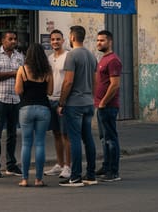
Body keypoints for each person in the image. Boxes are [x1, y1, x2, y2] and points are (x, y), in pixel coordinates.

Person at [58, 25, 98, 187]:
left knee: (74, 140)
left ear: (72, 37)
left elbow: (68, 81)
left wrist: (61, 102)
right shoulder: (91, 56)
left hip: (74, 104)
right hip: (88, 102)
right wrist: (92, 97)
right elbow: (95, 81)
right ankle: (91, 174)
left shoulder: (71, 55)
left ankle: (75, 177)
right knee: (88, 139)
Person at [0, 31, 25, 178]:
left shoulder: (19, 56)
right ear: (3, 40)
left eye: (15, 39)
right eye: (10, 39)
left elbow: (23, 74)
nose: (13, 41)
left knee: (12, 134)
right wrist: (13, 73)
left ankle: (11, 165)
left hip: (15, 99)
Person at [15, 43, 52, 187]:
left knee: (26, 143)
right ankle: (38, 179)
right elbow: (50, 91)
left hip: (26, 109)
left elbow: (18, 90)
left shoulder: (22, 70)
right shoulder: (47, 71)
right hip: (43, 108)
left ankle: (24, 179)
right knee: (40, 143)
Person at [95, 30, 122, 182]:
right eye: (98, 40)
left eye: (102, 40)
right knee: (104, 138)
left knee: (111, 139)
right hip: (101, 106)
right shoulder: (103, 59)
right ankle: (106, 166)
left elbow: (115, 84)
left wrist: (104, 102)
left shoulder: (113, 60)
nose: (99, 43)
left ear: (110, 42)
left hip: (108, 106)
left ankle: (113, 171)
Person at [45, 29, 71, 179]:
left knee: (66, 135)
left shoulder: (68, 56)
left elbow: (69, 80)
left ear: (63, 40)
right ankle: (59, 164)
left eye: (58, 39)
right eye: (53, 39)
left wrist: (64, 100)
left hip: (64, 101)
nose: (55, 41)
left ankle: (68, 166)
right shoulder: (49, 58)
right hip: (51, 100)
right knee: (55, 133)